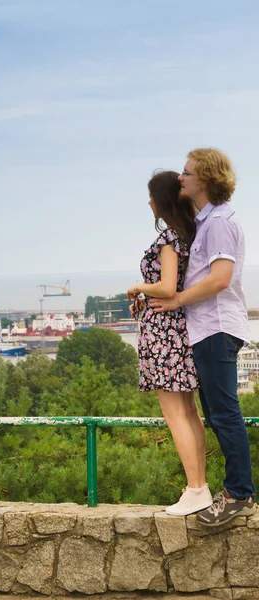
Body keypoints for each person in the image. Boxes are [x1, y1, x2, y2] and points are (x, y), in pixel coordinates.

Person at [150, 148, 256, 526]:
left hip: (216, 327)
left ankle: (240, 493)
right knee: (216, 413)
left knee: (225, 414)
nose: (181, 178)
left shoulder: (219, 223)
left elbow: (220, 278)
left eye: (187, 172)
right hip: (207, 328)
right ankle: (236, 491)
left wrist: (176, 298)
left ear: (207, 180)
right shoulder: (206, 221)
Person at [127, 170, 213, 516]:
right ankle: (199, 486)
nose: (147, 202)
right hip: (177, 329)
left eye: (150, 196)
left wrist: (138, 288)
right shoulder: (187, 233)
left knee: (176, 413)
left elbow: (167, 286)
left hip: (164, 334)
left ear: (161, 201)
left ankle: (195, 490)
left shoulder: (169, 238)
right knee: (189, 412)